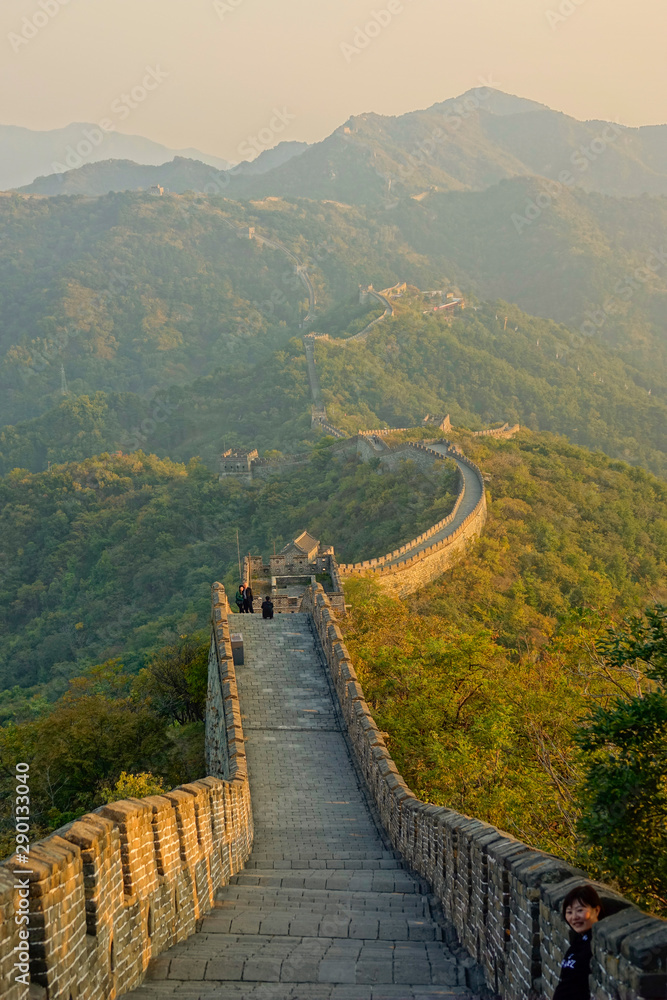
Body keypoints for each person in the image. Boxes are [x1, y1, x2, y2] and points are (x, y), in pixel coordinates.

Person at [553, 885, 603, 1000]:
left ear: (596, 910)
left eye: (580, 910)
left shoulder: (595, 944)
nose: (574, 917)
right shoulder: (579, 940)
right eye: (569, 912)